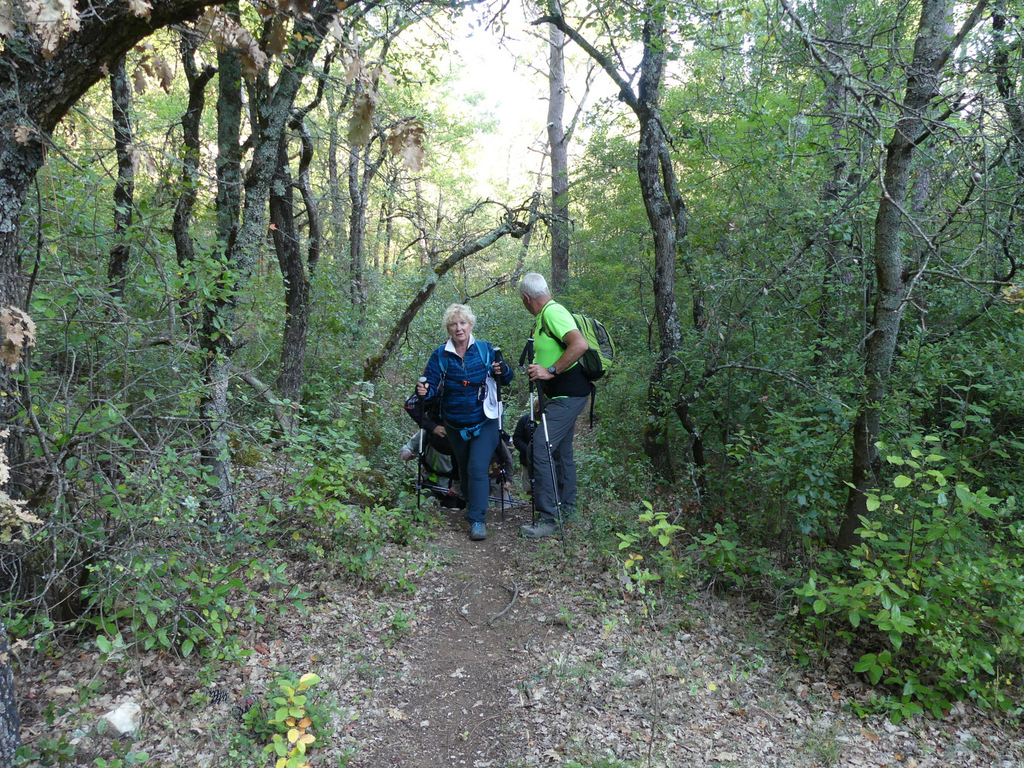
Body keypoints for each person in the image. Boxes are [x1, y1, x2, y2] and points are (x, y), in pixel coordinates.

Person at [417, 303, 513, 541]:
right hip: (455, 425)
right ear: (448, 328)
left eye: (463, 323)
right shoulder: (440, 354)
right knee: (464, 469)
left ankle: (478, 519)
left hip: (485, 421)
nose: (459, 328)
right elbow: (428, 388)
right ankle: (472, 502)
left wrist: (504, 370)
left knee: (477, 468)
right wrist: (423, 391)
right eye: (453, 324)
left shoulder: (484, 349)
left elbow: (507, 379)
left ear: (471, 325)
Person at [518, 273, 590, 538]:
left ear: (526, 298)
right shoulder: (545, 317)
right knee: (561, 451)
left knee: (540, 447)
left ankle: (549, 518)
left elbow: (579, 344)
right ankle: (567, 509)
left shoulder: (553, 312)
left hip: (568, 396)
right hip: (558, 396)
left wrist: (550, 370)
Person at [400, 429, 464, 509]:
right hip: (427, 482)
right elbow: (410, 446)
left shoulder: (461, 435)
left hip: (450, 486)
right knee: (422, 508)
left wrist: (458, 486)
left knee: (451, 513)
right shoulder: (427, 431)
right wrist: (406, 452)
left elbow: (470, 466)